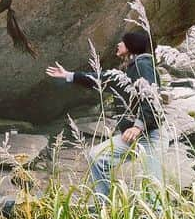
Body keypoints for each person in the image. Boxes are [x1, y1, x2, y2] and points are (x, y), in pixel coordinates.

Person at [45, 31, 164, 205]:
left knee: (153, 188)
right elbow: (100, 79)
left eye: (122, 42)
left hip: (149, 136)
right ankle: (106, 206)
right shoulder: (129, 68)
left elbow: (151, 98)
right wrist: (69, 75)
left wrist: (138, 126)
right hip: (132, 136)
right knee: (96, 156)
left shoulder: (143, 65)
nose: (118, 45)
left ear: (131, 46)